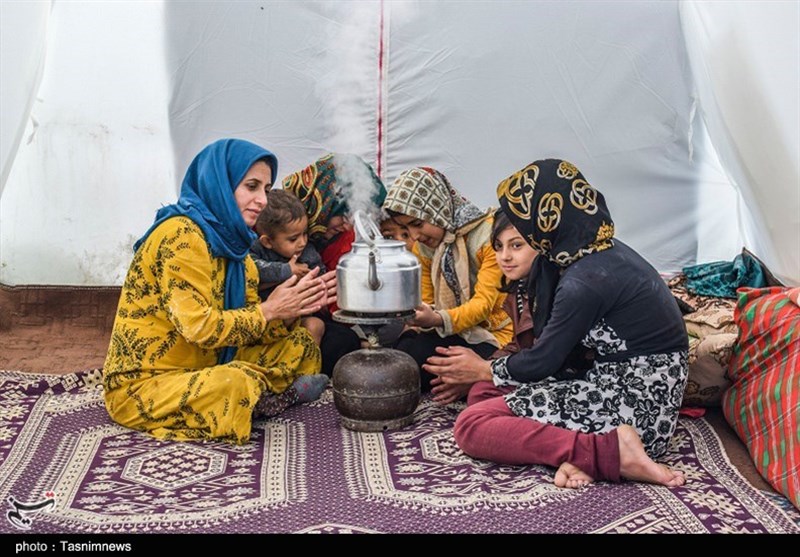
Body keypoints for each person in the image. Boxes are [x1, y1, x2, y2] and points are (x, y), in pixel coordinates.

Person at [424, 159, 688, 488]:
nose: (521, 236)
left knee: (472, 425)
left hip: (636, 409)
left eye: (523, 226)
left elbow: (545, 359)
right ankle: (583, 456)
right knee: (486, 392)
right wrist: (487, 375)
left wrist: (483, 368)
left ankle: (609, 453)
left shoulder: (586, 280)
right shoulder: (590, 252)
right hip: (611, 383)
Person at [103, 139, 334, 445]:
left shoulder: (235, 250)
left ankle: (258, 397)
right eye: (251, 186)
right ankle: (272, 397)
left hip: (207, 362)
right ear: (220, 184)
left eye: (265, 189)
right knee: (235, 381)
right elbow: (199, 328)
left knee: (300, 343)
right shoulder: (181, 237)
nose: (262, 200)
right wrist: (269, 310)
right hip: (148, 382)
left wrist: (290, 310)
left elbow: (250, 331)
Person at [382, 166, 513, 404]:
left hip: (495, 335)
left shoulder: (488, 237)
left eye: (417, 224)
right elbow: (427, 300)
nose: (414, 235)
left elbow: (483, 305)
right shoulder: (425, 248)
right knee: (407, 358)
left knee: (428, 365)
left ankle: (473, 377)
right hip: (456, 331)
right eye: (406, 229)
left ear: (437, 207)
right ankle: (459, 378)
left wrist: (438, 319)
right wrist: (420, 316)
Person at [282, 153, 387, 369]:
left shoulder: (341, 238)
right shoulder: (277, 219)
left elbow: (334, 298)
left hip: (314, 319)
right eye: (342, 214)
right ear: (325, 201)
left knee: (343, 342)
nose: (347, 225)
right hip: (273, 315)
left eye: (354, 217)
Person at [250, 189, 326, 346]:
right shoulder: (256, 250)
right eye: (293, 239)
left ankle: (308, 367)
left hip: (298, 315)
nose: (302, 242)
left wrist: (313, 280)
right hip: (267, 316)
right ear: (268, 242)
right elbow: (253, 271)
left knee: (316, 325)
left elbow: (319, 272)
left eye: (305, 234)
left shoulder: (306, 252)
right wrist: (287, 271)